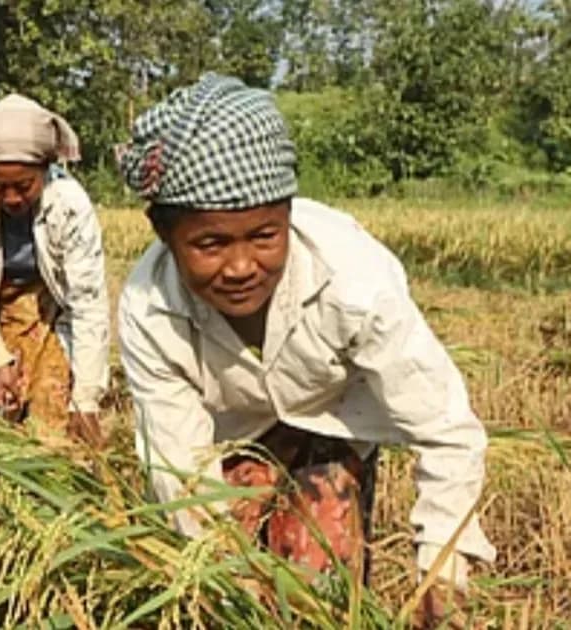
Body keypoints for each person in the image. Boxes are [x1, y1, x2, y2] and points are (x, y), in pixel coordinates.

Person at [114, 73, 495, 625]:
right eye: (211, 244)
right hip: (237, 431)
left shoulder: (354, 282)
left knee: (315, 578)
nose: (242, 267)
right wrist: (226, 574)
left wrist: (443, 558)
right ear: (163, 233)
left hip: (337, 416)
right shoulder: (149, 308)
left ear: (288, 216)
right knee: (224, 582)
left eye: (265, 237)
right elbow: (180, 466)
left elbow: (445, 429)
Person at [0, 93, 109, 448]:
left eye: (24, 186)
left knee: (52, 412)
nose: (12, 198)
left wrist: (87, 398)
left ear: (45, 171)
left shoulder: (70, 203)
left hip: (48, 301)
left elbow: (87, 301)